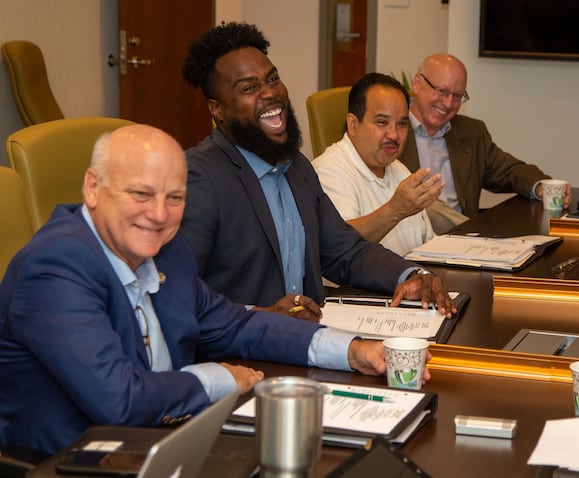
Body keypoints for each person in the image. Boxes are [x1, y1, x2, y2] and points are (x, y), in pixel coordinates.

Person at [0, 124, 398, 455]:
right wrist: (218, 378)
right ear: (92, 188)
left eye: (175, 198)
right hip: (76, 459)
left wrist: (351, 349)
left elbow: (237, 325)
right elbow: (118, 401)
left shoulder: (167, 252)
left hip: (168, 440)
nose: (159, 215)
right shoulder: (53, 269)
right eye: (141, 194)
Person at [180, 22, 456, 323]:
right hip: (242, 354)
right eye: (249, 88)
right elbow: (180, 294)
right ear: (217, 110)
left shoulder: (296, 167)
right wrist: (260, 316)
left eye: (273, 79)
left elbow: (344, 252)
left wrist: (412, 275)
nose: (270, 93)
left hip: (309, 338)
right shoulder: (199, 177)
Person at [400, 53, 572, 234]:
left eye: (458, 96)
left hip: (460, 249)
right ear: (417, 84)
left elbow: (509, 170)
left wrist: (541, 187)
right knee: (428, 208)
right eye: (442, 91)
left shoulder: (471, 133)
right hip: (409, 241)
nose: (448, 103)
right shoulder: (392, 131)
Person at [312, 72, 442, 257]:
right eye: (382, 122)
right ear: (353, 125)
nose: (394, 135)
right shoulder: (328, 171)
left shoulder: (398, 169)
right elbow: (337, 245)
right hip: (358, 286)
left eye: (402, 124)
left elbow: (427, 244)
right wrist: (396, 210)